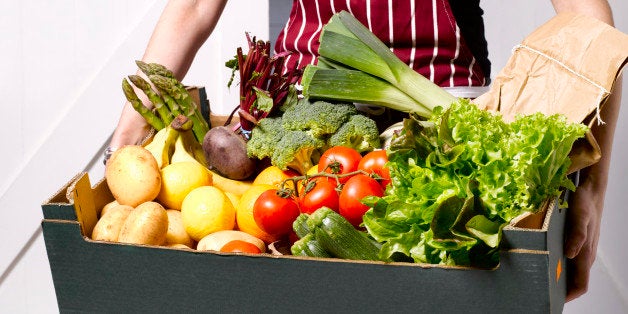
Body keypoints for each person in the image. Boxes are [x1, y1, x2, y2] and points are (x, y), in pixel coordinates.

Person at [108, 0, 620, 302]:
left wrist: (593, 189)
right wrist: (127, 143)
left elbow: (589, 20)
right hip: (299, 135)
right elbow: (195, 6)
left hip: (441, 126)